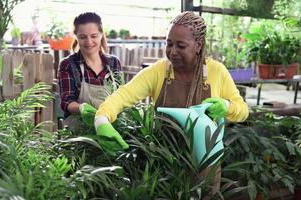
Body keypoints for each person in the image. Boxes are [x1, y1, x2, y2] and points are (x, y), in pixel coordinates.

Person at [93, 11, 249, 193]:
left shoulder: (216, 72)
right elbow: (122, 95)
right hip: (165, 164)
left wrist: (226, 106)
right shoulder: (159, 71)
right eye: (169, 44)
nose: (172, 51)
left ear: (198, 45)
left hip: (206, 164)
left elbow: (243, 110)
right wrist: (101, 119)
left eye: (180, 46)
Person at [57, 12, 122, 130]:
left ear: (101, 34)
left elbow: (120, 97)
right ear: (76, 36)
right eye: (83, 37)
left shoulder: (114, 63)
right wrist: (82, 108)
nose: (88, 41)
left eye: (93, 36)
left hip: (111, 128)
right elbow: (67, 102)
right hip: (79, 133)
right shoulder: (68, 65)